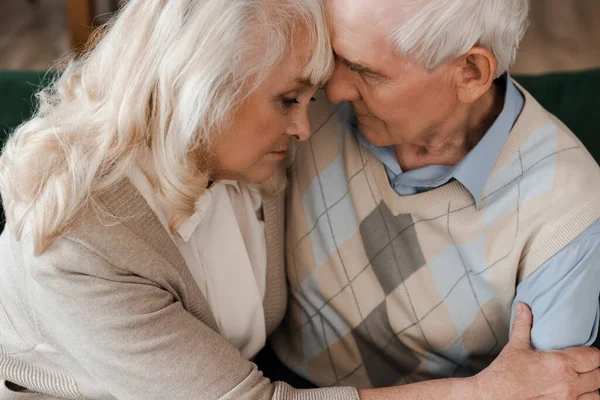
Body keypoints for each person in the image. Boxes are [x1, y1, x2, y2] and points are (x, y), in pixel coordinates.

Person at [0, 1, 598, 400]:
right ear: (204, 96)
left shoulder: (259, 143)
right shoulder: (83, 234)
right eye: (294, 96)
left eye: (359, 70)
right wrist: (477, 394)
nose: (324, 103)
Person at [271, 0, 600, 396]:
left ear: (471, 73)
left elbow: (541, 390)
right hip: (272, 377)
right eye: (333, 54)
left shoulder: (567, 209)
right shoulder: (299, 100)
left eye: (363, 70)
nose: (333, 89)